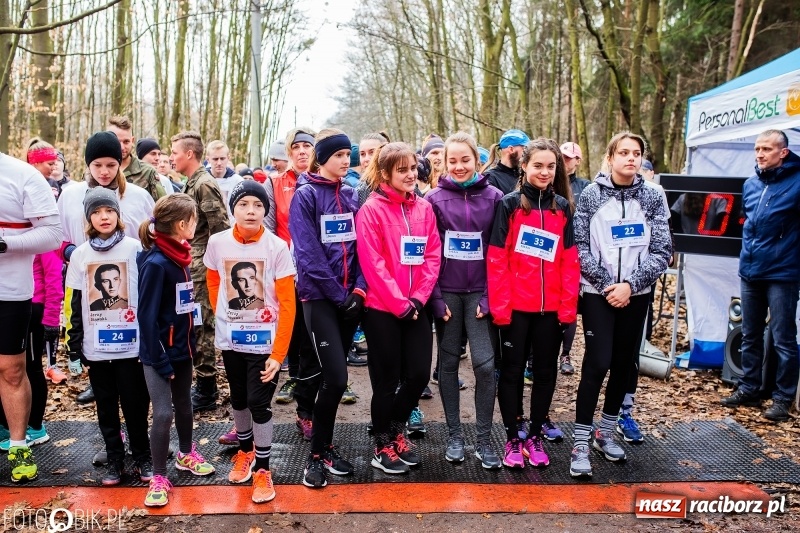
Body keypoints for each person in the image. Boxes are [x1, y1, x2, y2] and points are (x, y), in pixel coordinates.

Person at [570, 131, 671, 478]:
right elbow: (579, 246)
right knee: (597, 362)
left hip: (636, 294)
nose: (631, 158)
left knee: (624, 364)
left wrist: (630, 285)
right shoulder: (590, 196)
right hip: (599, 293)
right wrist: (607, 285)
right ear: (610, 157)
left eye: (636, 153)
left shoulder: (654, 196)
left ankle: (606, 432)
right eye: (624, 152)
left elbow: (662, 251)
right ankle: (580, 441)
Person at [487, 138, 579, 469]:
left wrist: (569, 308)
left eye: (550, 166)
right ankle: (514, 437)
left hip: (550, 310)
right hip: (515, 309)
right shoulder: (510, 205)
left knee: (545, 373)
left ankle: (536, 435)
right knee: (510, 373)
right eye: (537, 165)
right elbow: (497, 259)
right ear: (524, 165)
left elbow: (570, 262)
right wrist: (500, 307)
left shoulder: (563, 208)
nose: (544, 172)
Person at [205, 180, 295, 503]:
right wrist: (223, 318)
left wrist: (278, 354)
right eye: (244, 205)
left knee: (259, 402)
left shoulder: (276, 247)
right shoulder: (217, 243)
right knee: (239, 399)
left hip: (264, 344)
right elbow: (213, 280)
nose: (251, 211)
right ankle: (244, 453)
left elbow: (288, 303)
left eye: (258, 206)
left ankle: (263, 468)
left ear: (265, 211)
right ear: (234, 209)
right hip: (231, 342)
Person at [356, 142, 441, 474]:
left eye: (413, 168)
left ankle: (392, 432)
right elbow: (373, 263)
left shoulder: (424, 208)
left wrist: (418, 299)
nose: (410, 175)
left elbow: (432, 255)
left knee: (419, 374)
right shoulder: (372, 210)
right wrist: (398, 304)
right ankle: (382, 445)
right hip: (382, 309)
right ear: (385, 174)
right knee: (386, 381)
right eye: (401, 169)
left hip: (416, 306)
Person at [57, 131, 156, 408]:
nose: (104, 171)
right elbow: (58, 236)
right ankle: (99, 389)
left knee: (131, 384)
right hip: (89, 287)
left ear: (121, 162)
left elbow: (152, 237)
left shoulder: (138, 196)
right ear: (87, 164)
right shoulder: (70, 195)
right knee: (104, 387)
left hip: (131, 290)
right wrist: (69, 252)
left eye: (111, 165)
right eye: (97, 165)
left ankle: (137, 429)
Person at [289, 129, 364, 488]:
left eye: (347, 155)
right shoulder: (305, 196)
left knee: (331, 379)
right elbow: (307, 254)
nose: (345, 160)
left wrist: (360, 289)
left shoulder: (351, 194)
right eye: (337, 156)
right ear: (322, 159)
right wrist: (339, 295)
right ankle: (315, 457)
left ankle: (326, 447)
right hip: (320, 300)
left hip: (351, 299)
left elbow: (363, 246)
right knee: (334, 377)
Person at [63, 187, 152, 486]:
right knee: (105, 406)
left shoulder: (134, 248)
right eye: (97, 212)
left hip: (131, 345)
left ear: (118, 214)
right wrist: (74, 348)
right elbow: (73, 303)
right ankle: (115, 459)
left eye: (109, 211)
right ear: (89, 218)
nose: (104, 217)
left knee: (135, 404)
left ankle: (142, 456)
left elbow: (148, 294)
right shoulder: (80, 255)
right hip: (96, 347)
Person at [426, 132, 503, 468]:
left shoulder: (496, 197)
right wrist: (436, 297)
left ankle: (484, 440)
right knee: (447, 364)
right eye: (451, 160)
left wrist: (489, 295)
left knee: (485, 366)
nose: (458, 166)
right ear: (443, 163)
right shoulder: (433, 198)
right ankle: (455, 436)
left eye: (464, 159)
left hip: (480, 293)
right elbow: (429, 252)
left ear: (478, 160)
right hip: (448, 293)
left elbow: (499, 252)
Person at [138, 193, 216, 507]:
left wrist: (192, 342)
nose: (196, 226)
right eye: (194, 220)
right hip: (158, 355)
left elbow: (182, 307)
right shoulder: (157, 262)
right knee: (164, 412)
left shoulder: (179, 256)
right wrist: (160, 359)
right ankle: (158, 475)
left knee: (185, 406)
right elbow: (146, 317)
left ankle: (185, 454)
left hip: (182, 351)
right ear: (183, 224)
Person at [721, 129, 800, 423]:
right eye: (757, 149)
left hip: (783, 274)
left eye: (767, 149)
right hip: (750, 272)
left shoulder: (798, 182)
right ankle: (749, 387)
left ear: (783, 152)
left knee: (783, 338)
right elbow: (748, 223)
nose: (760, 154)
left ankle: (782, 398)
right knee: (750, 334)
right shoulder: (751, 184)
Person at [0, 149, 61, 482]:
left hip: (9, 291)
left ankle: (19, 444)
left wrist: (3, 243)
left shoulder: (22, 174)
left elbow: (52, 235)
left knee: (11, 370)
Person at [263, 129, 321, 441]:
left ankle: (306, 413)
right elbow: (268, 232)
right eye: (295, 147)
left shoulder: (323, 182)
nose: (301, 152)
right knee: (277, 344)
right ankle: (249, 416)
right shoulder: (274, 183)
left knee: (309, 346)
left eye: (307, 147)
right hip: (284, 277)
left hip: (315, 280)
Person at [172, 131, 231, 412]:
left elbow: (219, 227)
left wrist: (217, 267)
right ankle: (203, 382)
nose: (171, 157)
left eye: (174, 152)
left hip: (204, 266)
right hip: (193, 263)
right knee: (195, 323)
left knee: (203, 324)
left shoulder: (204, 185)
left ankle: (207, 388)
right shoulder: (192, 183)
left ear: (189, 154)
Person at [107, 115, 166, 201]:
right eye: (116, 141)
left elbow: (164, 207)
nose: (122, 147)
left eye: (126, 142)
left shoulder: (147, 172)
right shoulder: (96, 171)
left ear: (132, 141)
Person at [482, 129, 530, 195]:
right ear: (511, 149)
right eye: (525, 149)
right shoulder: (490, 178)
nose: (528, 154)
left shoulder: (525, 174)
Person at [206, 140, 244, 222]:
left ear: (228, 158)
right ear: (208, 159)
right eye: (215, 159)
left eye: (222, 158)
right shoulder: (201, 180)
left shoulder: (239, 182)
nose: (219, 163)